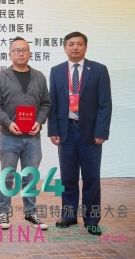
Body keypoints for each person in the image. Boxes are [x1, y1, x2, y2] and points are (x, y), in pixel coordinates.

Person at [48, 31, 112, 236]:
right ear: (65, 48)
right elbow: (52, 103)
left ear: (86, 47)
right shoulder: (56, 71)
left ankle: (92, 219)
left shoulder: (99, 70)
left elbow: (105, 104)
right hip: (66, 131)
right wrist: (53, 130)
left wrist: (101, 131)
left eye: (79, 44)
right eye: (71, 44)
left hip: (91, 133)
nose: (75, 47)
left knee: (91, 177)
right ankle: (68, 215)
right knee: (68, 177)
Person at [0, 37, 51, 230]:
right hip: (9, 137)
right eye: (17, 50)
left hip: (32, 138)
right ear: (10, 54)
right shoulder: (1, 77)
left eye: (24, 50)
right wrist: (8, 123)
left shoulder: (39, 77)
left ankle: (30, 213)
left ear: (30, 53)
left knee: (30, 176)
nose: (21, 53)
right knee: (7, 176)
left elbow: (46, 104)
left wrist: (39, 121)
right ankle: (3, 213)